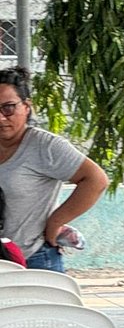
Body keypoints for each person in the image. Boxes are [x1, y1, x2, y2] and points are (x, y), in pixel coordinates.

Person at [0, 66, 109, 271]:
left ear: (26, 107)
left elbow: (96, 180)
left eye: (8, 108)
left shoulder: (44, 145)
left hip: (34, 260)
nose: (1, 117)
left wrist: (55, 222)